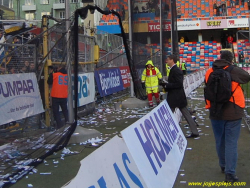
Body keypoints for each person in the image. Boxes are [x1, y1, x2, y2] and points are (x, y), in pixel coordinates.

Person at [204, 50, 250, 182]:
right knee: (231, 142)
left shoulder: (209, 71)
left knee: (220, 140)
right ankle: (230, 173)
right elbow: (246, 77)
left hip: (215, 111)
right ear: (231, 59)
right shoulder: (233, 70)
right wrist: (233, 68)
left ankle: (223, 165)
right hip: (233, 111)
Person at [161, 54, 199, 138]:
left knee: (169, 114)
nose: (166, 61)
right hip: (178, 97)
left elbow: (178, 84)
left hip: (176, 97)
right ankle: (194, 131)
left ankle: (166, 132)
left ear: (172, 60)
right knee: (185, 114)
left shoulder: (176, 70)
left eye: (168, 59)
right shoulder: (174, 69)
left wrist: (167, 85)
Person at [47, 64, 69, 129]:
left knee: (56, 112)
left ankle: (59, 126)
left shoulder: (55, 75)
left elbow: (49, 81)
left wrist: (51, 73)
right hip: (64, 95)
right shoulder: (67, 76)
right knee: (65, 110)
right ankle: (67, 122)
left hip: (56, 96)